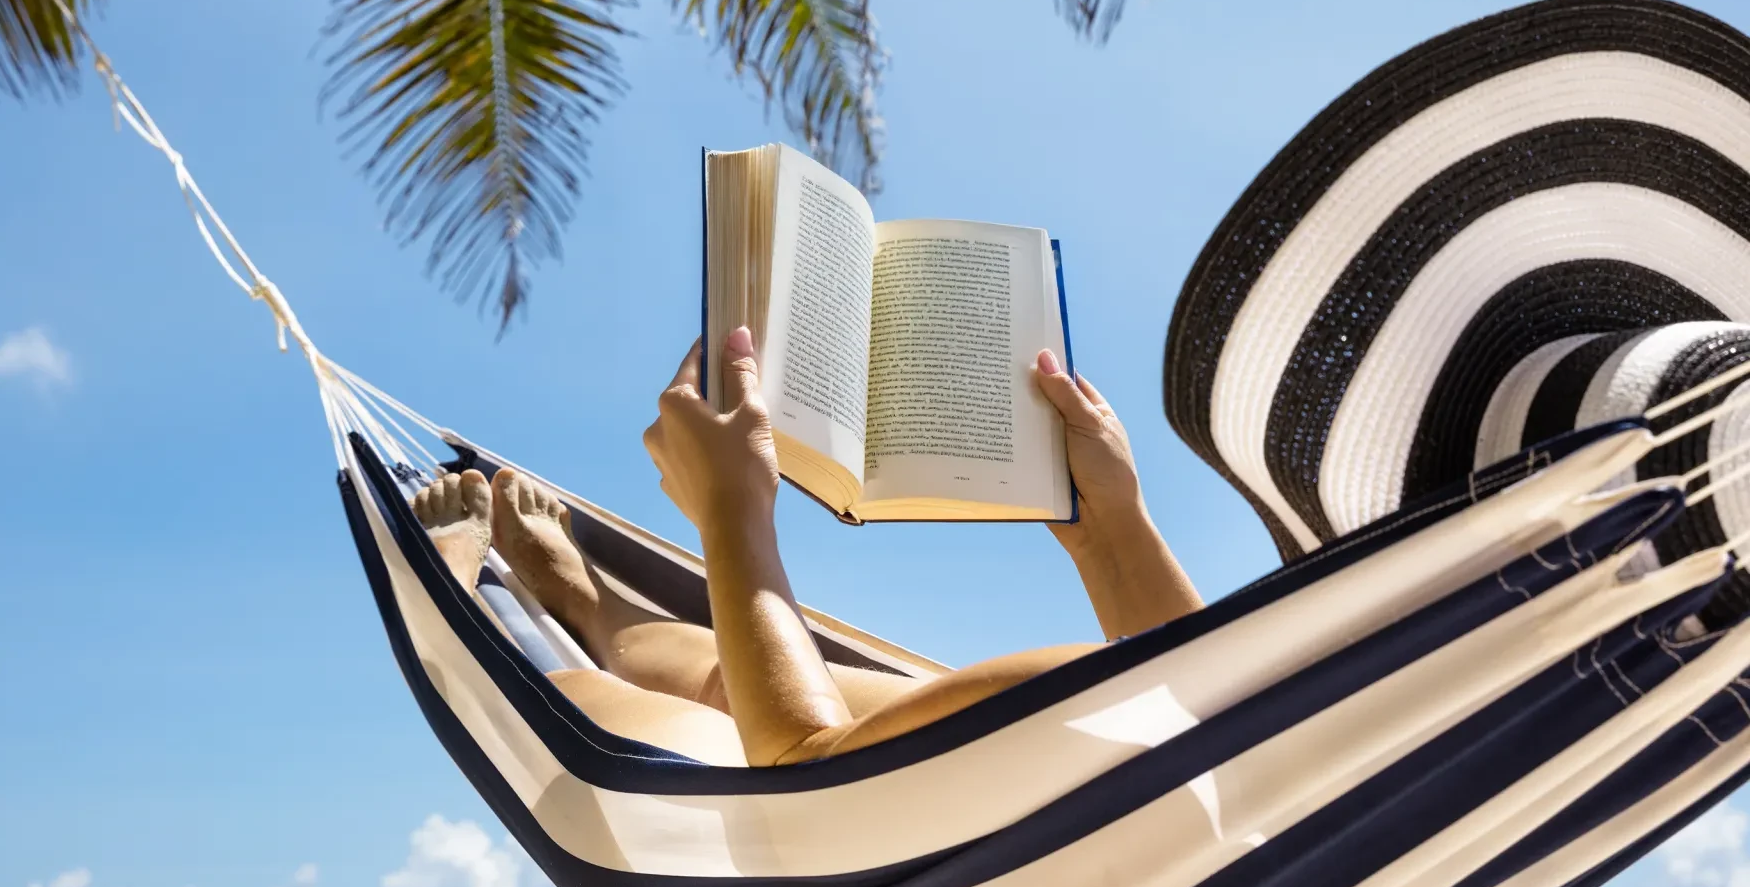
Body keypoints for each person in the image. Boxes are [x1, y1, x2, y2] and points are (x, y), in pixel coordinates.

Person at [413, 327, 1202, 767]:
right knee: (916, 708)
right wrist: (1112, 527)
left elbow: (809, 776)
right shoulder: (1311, 718)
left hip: (946, 842)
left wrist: (731, 512)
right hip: (1140, 757)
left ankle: (472, 618)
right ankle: (588, 601)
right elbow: (1212, 716)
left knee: (665, 737)